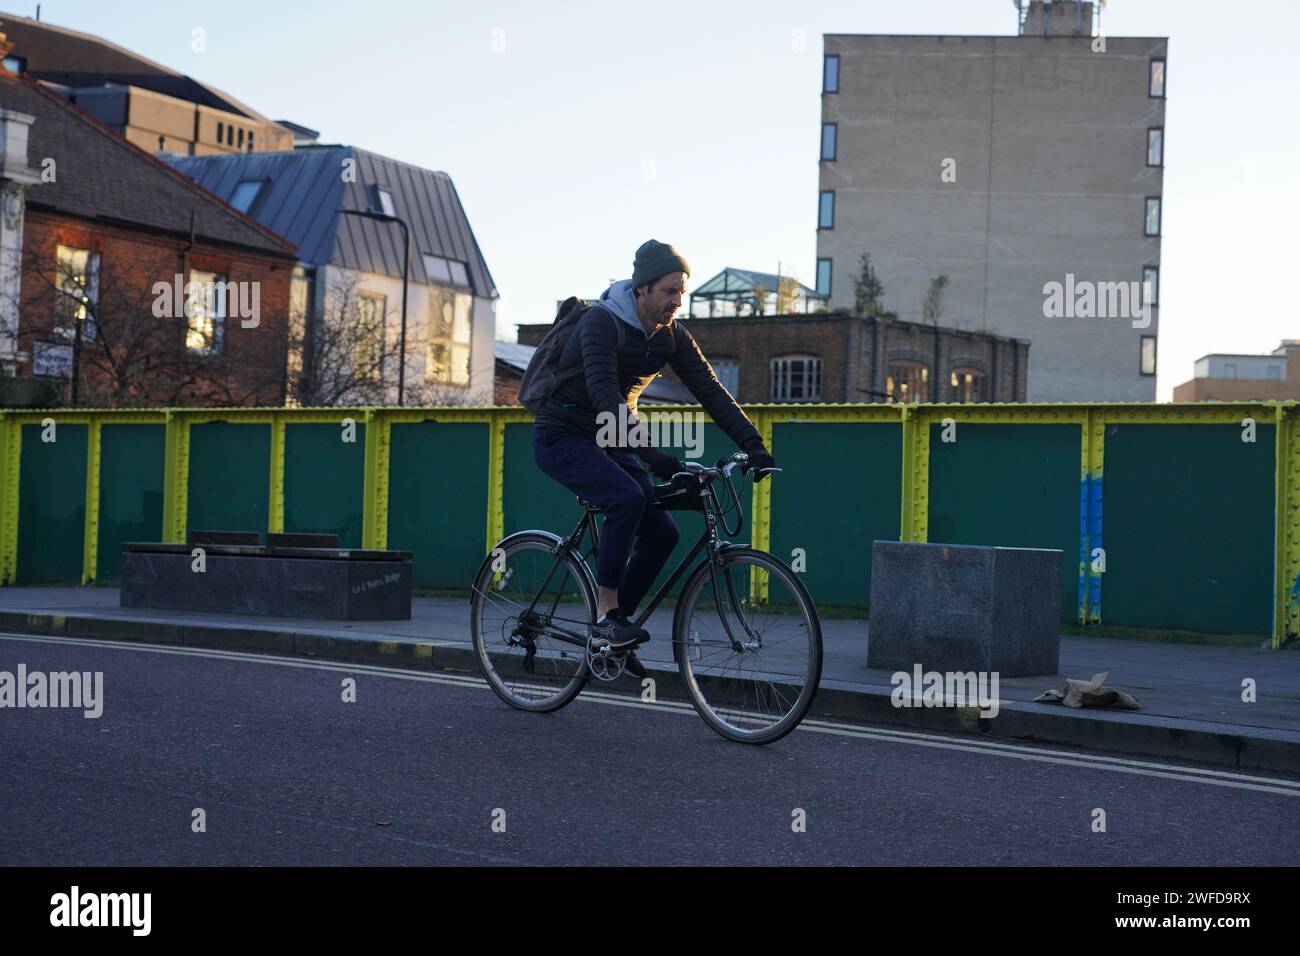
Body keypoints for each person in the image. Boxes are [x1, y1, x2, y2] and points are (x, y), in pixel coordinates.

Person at [532, 239, 776, 677]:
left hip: (611, 436)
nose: (677, 301)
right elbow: (605, 392)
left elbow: (710, 391)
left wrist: (752, 445)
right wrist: (647, 452)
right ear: (642, 289)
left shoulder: (671, 337)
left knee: (662, 533)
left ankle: (615, 631)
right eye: (669, 291)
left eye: (682, 291)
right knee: (626, 497)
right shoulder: (601, 323)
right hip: (562, 433)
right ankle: (606, 615)